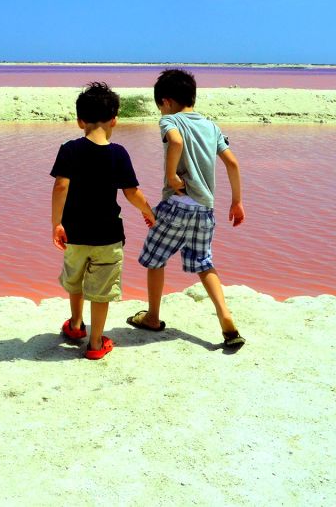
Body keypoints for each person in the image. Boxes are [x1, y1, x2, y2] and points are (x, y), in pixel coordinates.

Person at [129, 68, 246, 347]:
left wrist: (171, 175)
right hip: (205, 209)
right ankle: (225, 318)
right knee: (204, 263)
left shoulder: (171, 121)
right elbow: (233, 163)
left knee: (155, 259)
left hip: (177, 205)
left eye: (160, 107)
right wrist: (237, 201)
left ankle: (153, 317)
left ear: (166, 102)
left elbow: (177, 141)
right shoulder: (211, 126)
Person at [51, 82, 156, 360]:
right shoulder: (118, 153)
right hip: (108, 236)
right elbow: (132, 193)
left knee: (75, 281)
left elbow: (61, 186)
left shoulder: (69, 149)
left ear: (79, 120)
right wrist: (149, 212)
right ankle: (96, 344)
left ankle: (75, 326)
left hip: (74, 233)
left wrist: (56, 224)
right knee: (101, 291)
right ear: (115, 119)